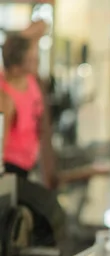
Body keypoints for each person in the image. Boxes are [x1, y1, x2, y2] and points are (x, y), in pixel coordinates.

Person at [0, 32, 57, 188]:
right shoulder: (5, 98)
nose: (37, 60)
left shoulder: (30, 78)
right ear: (16, 67)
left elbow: (37, 28)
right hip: (11, 168)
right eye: (31, 58)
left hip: (28, 162)